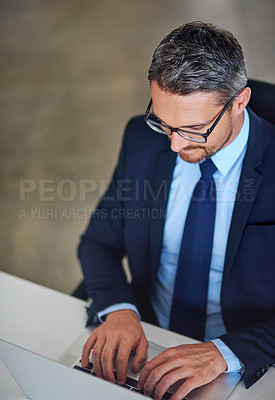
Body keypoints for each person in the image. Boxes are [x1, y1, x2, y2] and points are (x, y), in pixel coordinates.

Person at [78, 21, 275, 399]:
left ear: (239, 102)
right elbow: (97, 243)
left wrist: (226, 352)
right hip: (146, 339)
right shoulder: (140, 137)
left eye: (193, 128)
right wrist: (120, 310)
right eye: (164, 123)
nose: (174, 146)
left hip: (241, 360)